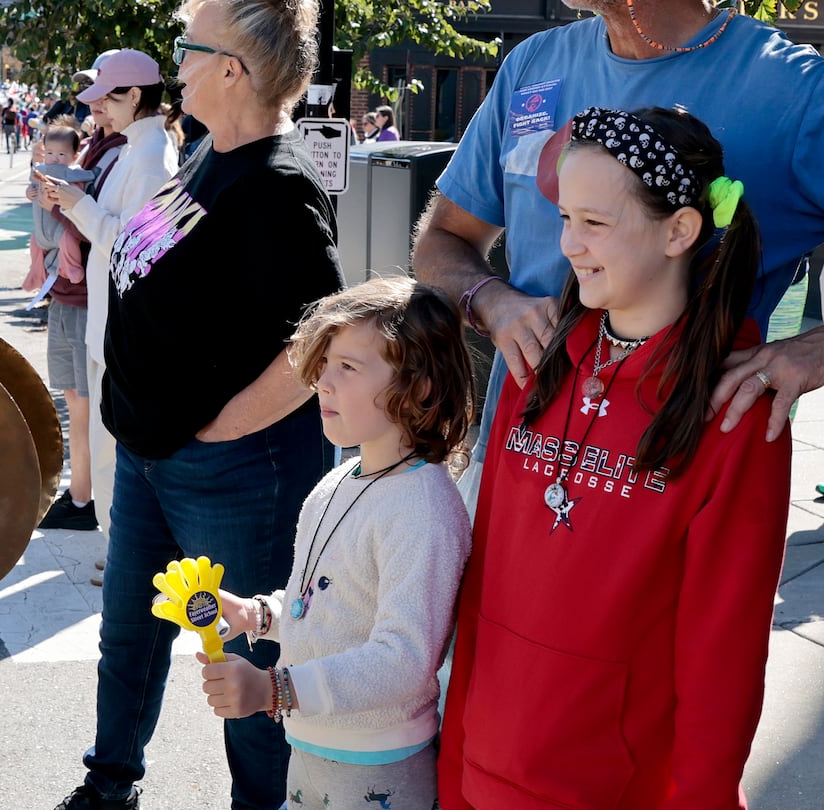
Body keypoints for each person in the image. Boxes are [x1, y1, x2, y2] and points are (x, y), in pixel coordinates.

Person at [439, 105, 789, 809]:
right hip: (482, 770)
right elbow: (482, 589)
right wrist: (454, 767)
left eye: (595, 223)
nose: (569, 244)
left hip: (617, 787)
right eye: (566, 219)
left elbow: (724, 650)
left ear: (679, 231)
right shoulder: (533, 364)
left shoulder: (735, 410)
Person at [48, 0, 344, 806]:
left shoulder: (279, 187)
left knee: (246, 669)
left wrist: (223, 426)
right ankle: (110, 784)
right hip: (152, 455)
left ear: (232, 69)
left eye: (186, 48)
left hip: (234, 471)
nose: (173, 64)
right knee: (129, 637)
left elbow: (320, 343)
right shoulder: (211, 152)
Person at [411, 0, 824, 515]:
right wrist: (490, 300)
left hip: (676, 478)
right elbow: (442, 240)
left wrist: (812, 352)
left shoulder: (792, 87)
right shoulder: (534, 63)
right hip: (513, 451)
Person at [195, 277, 473, 810]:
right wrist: (256, 614)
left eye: (347, 367)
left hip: (381, 767)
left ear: (419, 388)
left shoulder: (424, 508)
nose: (322, 381)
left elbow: (403, 659)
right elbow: (322, 602)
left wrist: (274, 688)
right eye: (325, 363)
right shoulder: (336, 483)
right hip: (312, 746)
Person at [40, 48, 178, 585]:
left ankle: (125, 552)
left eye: (105, 97)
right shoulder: (138, 151)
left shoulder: (149, 158)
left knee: (114, 448)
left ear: (135, 97)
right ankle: (118, 548)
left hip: (124, 330)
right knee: (106, 445)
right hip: (113, 325)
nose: (96, 109)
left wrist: (76, 203)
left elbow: (137, 248)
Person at [26, 123, 99, 532]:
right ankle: (79, 494)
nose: (98, 106)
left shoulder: (103, 163)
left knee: (84, 406)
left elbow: (88, 229)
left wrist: (55, 204)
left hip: (85, 299)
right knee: (73, 400)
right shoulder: (104, 154)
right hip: (64, 296)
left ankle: (84, 498)